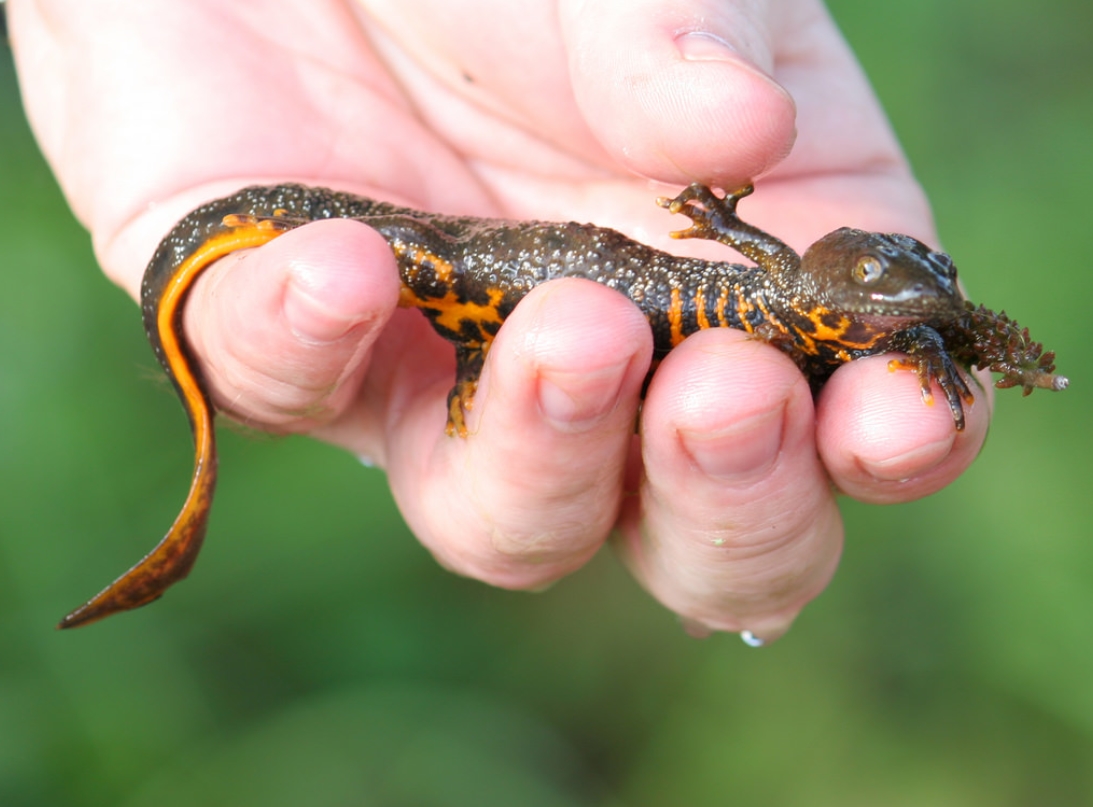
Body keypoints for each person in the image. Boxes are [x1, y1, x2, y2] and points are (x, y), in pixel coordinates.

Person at [8, 0, 989, 643]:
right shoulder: (803, 290)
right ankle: (482, 351)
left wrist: (935, 341)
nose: (906, 305)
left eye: (920, 293)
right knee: (470, 301)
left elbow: (866, 305)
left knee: (584, 353)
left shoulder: (851, 317)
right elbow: (765, 252)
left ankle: (489, 353)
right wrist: (718, 214)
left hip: (567, 284)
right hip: (503, 268)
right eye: (892, 295)